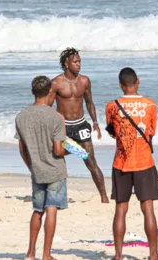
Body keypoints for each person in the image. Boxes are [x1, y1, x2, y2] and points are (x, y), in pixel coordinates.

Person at [105, 67, 158, 260]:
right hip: (144, 162)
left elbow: (113, 133)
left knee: (121, 208)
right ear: (138, 81)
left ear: (120, 85)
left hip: (121, 163)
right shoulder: (150, 105)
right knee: (148, 208)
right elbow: (151, 132)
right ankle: (153, 255)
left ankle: (118, 255)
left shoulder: (112, 106)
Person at [15, 76, 70, 260]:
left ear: (32, 92)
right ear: (50, 93)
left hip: (36, 170)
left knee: (38, 210)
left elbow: (22, 148)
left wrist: (31, 166)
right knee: (52, 209)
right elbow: (58, 149)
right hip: (55, 170)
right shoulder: (56, 117)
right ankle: (47, 255)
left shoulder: (21, 117)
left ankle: (31, 253)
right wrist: (73, 150)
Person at [48, 47, 109, 203]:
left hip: (81, 126)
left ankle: (103, 197)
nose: (79, 64)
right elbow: (47, 107)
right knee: (57, 160)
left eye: (80, 61)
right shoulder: (56, 83)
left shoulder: (84, 81)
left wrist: (95, 122)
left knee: (90, 160)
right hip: (64, 127)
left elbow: (89, 102)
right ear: (66, 64)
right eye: (75, 62)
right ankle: (55, 195)